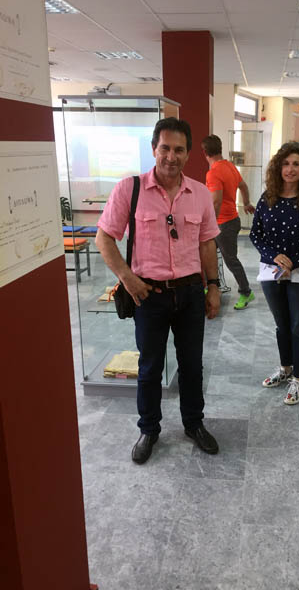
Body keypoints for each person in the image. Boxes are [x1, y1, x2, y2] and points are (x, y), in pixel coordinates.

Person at [96, 117, 221, 464]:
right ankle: (149, 429)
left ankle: (194, 424)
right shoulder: (130, 189)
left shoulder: (199, 194)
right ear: (154, 149)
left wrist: (213, 286)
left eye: (179, 150)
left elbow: (207, 243)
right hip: (148, 295)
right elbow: (104, 238)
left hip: (190, 293)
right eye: (165, 148)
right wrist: (127, 278)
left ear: (188, 153)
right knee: (150, 367)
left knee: (192, 365)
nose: (171, 156)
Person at [250, 142, 299, 405]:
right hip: (271, 272)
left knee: (298, 325)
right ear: (278, 167)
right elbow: (255, 234)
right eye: (285, 164)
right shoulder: (267, 198)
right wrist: (274, 256)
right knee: (281, 324)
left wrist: (294, 261)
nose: (290, 169)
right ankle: (285, 368)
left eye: (296, 164)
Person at [201, 134, 256, 310]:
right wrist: (246, 203)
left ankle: (246, 292)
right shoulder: (230, 166)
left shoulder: (213, 172)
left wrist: (210, 224)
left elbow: (216, 201)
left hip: (223, 224)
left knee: (230, 260)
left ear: (205, 153)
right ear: (220, 148)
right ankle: (212, 288)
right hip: (230, 221)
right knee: (208, 256)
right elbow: (243, 186)